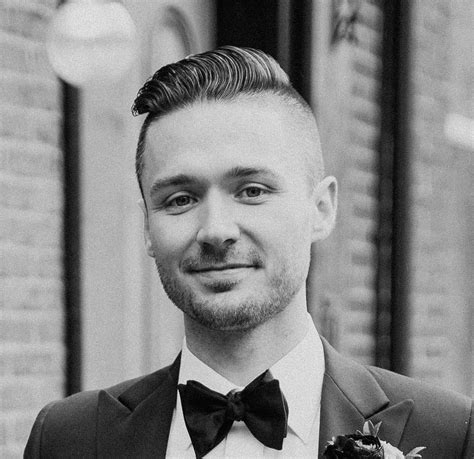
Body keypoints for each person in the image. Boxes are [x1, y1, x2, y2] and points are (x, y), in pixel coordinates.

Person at [25, 46, 472, 458]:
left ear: (321, 209)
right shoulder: (67, 439)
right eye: (181, 199)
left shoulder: (451, 434)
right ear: (147, 227)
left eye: (252, 191)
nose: (216, 231)